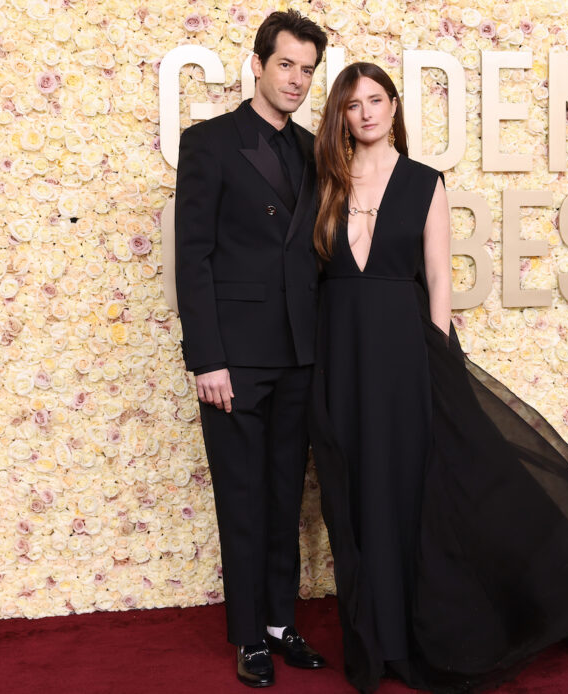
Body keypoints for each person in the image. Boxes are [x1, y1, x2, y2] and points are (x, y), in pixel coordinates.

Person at [309, 62, 568, 694]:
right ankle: (371, 644)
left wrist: (436, 362)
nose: (365, 113)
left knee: (411, 497)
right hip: (340, 362)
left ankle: (414, 639)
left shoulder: (423, 183)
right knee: (355, 498)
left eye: (376, 100)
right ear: (340, 114)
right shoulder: (322, 181)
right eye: (353, 104)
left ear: (393, 107)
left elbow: (439, 279)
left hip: (407, 361)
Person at [174, 10, 329, 688]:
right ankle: (249, 638)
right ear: (258, 66)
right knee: (242, 497)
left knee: (284, 499)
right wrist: (207, 358)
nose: (296, 79)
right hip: (233, 361)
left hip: (300, 353)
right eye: (286, 65)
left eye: (307, 70)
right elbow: (193, 257)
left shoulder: (313, 151)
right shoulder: (208, 144)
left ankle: (278, 622)